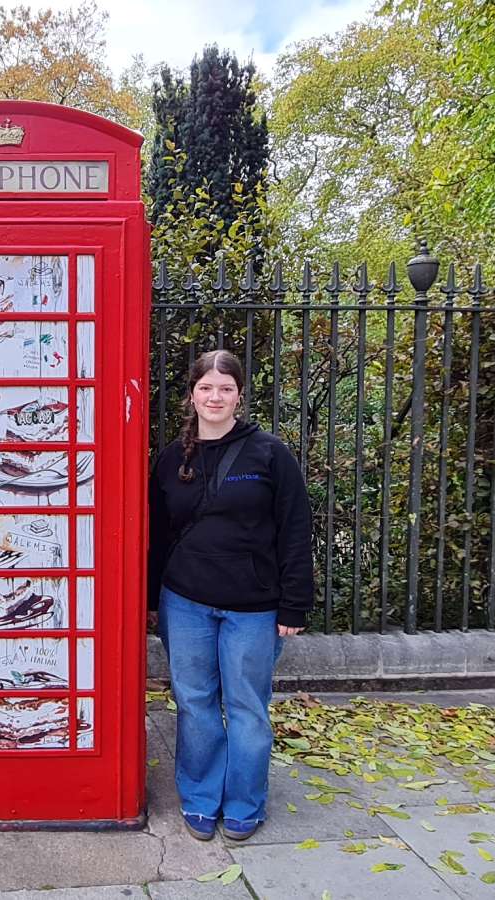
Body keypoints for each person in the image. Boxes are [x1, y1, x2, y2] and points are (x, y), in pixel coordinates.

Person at [147, 349, 313, 843]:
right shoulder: (174, 457)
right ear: (192, 395)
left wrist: (294, 603)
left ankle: (244, 802)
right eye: (205, 388)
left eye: (225, 388)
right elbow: (156, 533)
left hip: (253, 607)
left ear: (239, 395)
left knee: (246, 705)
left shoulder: (269, 454)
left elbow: (295, 529)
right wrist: (149, 600)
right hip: (186, 601)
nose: (214, 397)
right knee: (195, 702)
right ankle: (200, 797)